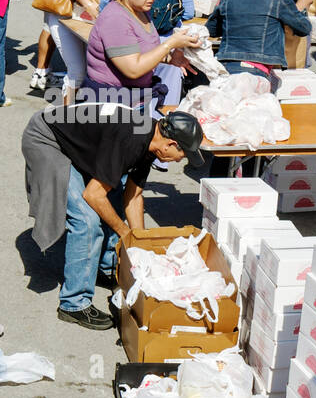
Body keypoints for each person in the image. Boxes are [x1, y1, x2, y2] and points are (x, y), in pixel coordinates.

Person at [21, 103, 205, 331]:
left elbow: (134, 196)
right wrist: (125, 233)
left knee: (115, 197)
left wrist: (140, 245)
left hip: (72, 139)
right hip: (47, 138)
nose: (180, 161)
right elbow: (94, 195)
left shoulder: (150, 140)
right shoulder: (131, 140)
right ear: (171, 144)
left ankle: (103, 267)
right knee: (87, 220)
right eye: (182, 155)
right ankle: (73, 304)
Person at [83, 0, 200, 106]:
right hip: (110, 103)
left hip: (134, 99)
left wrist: (170, 58)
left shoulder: (141, 12)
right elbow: (133, 70)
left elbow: (141, 51)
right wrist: (169, 44)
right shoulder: (115, 19)